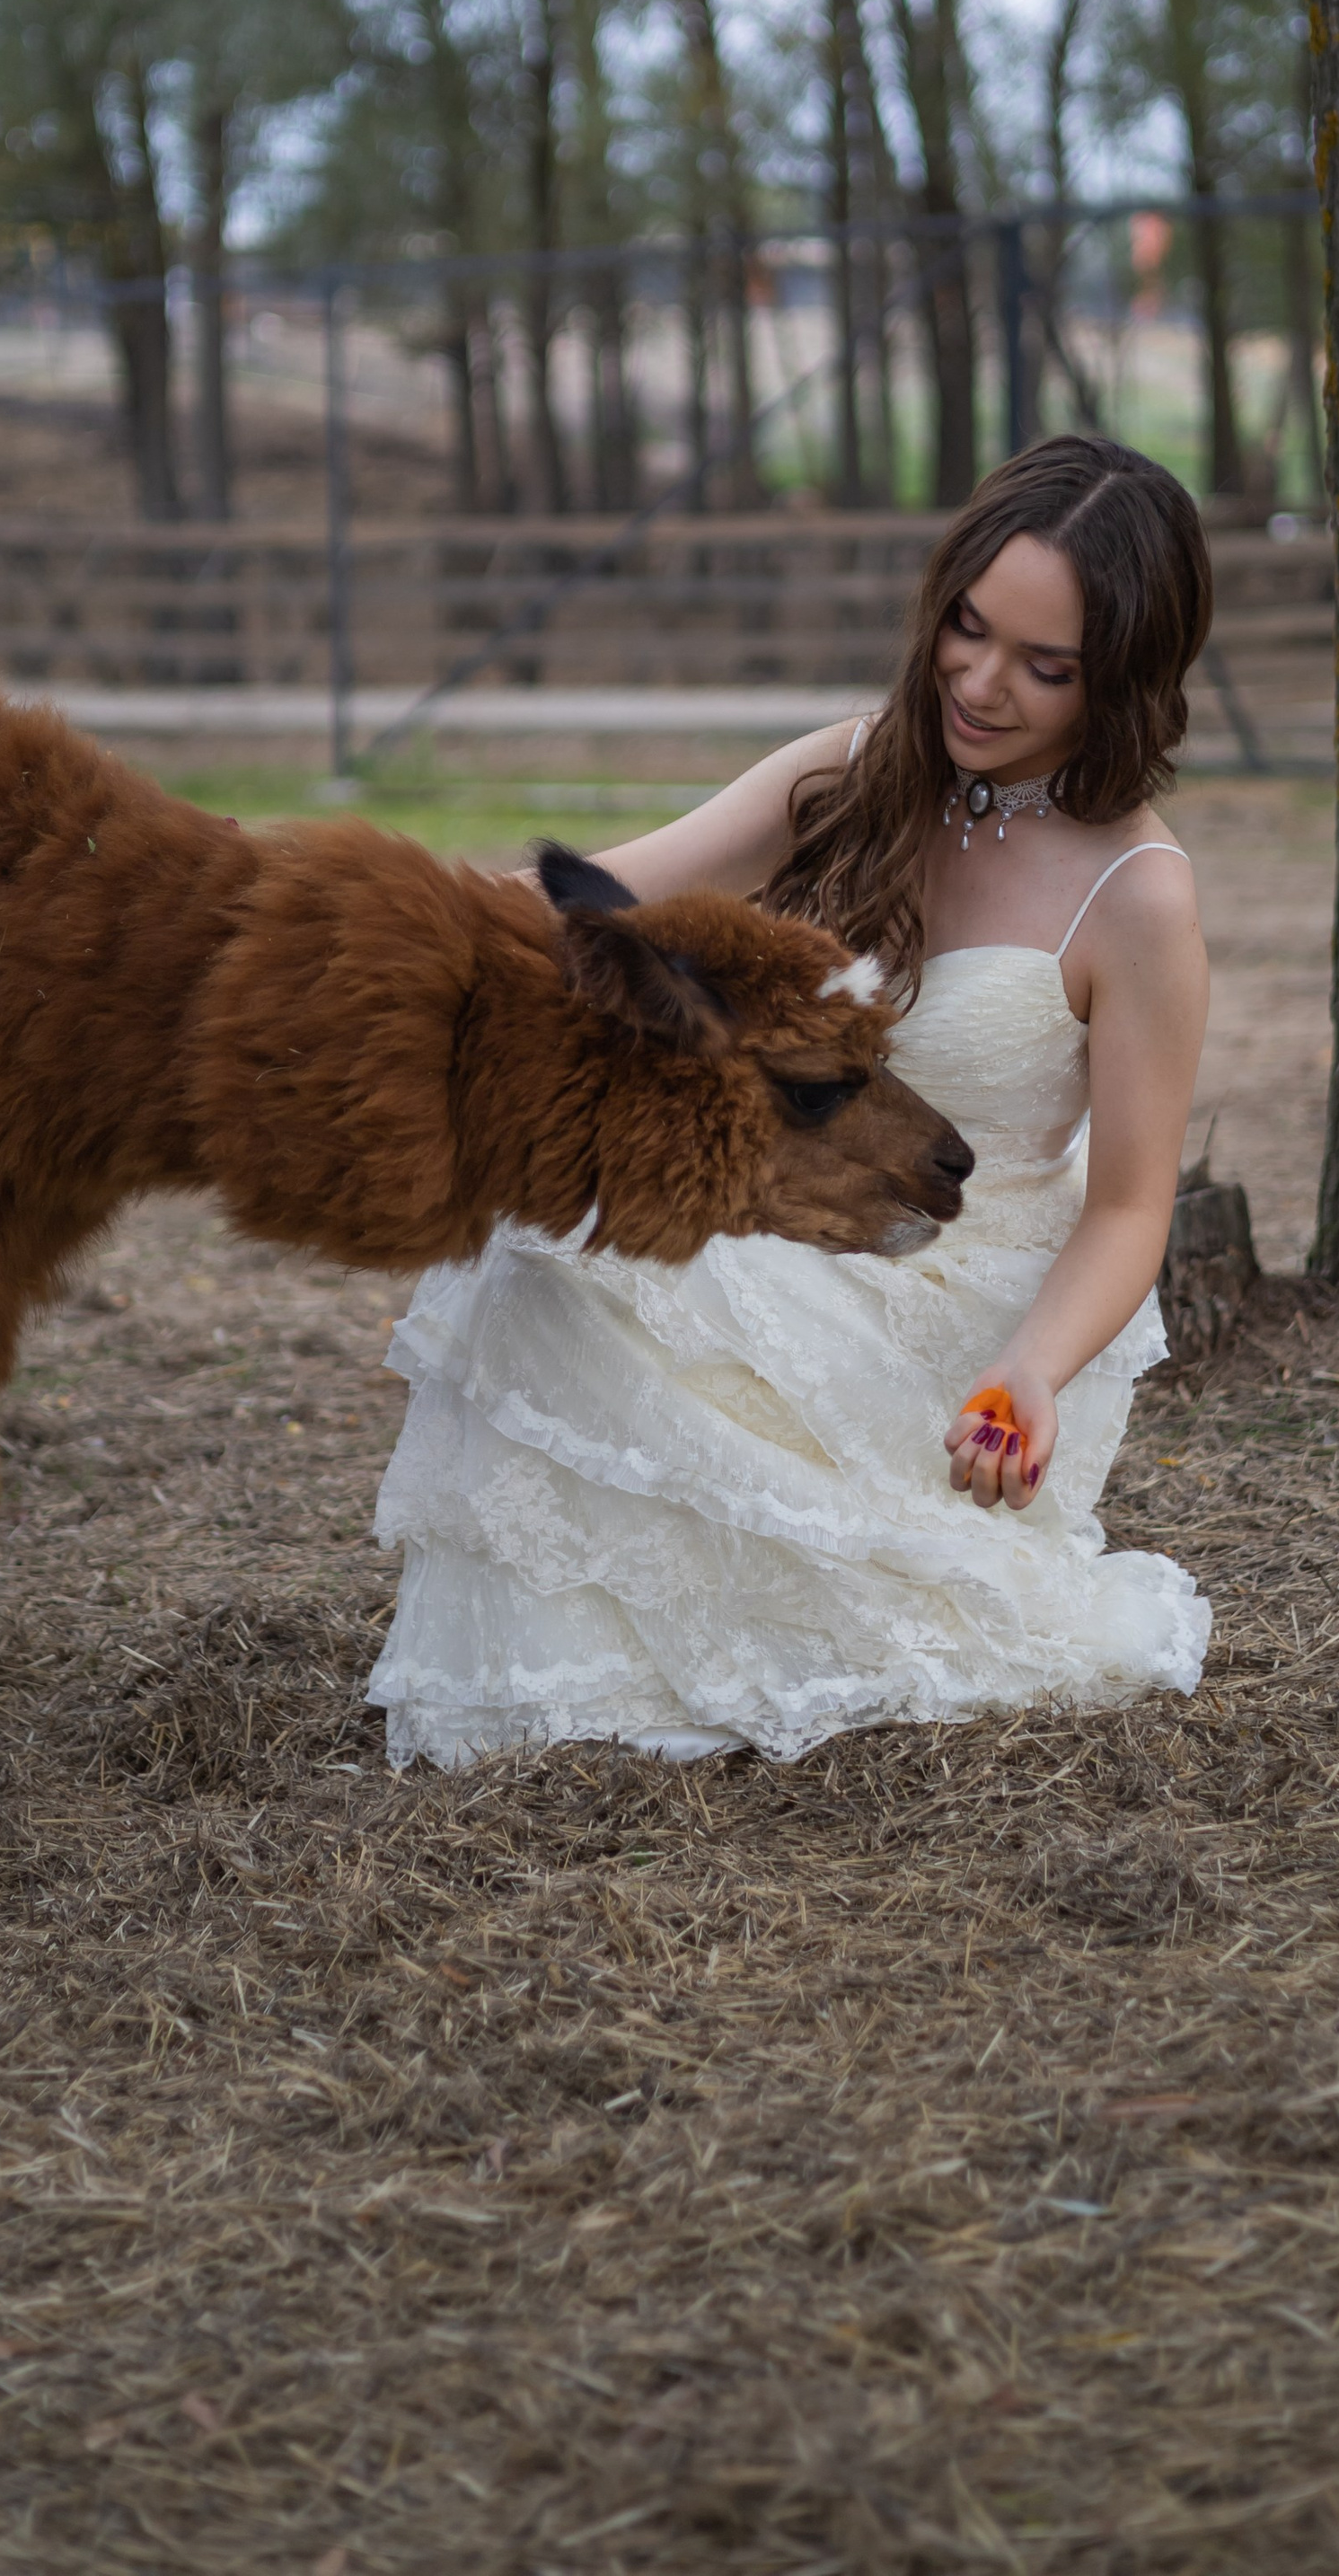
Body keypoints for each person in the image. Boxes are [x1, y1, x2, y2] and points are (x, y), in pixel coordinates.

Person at [368, 435, 1215, 1767]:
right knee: (548, 1249)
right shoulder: (858, 769)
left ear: (1120, 682)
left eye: (1046, 668)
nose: (983, 686)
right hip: (796, 1213)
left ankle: (722, 1637)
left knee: (597, 1267)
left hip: (959, 1287)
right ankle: (582, 1667)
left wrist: (1033, 1369)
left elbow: (1128, 1206)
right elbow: (600, 899)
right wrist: (375, 922)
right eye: (968, 629)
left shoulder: (1141, 899)